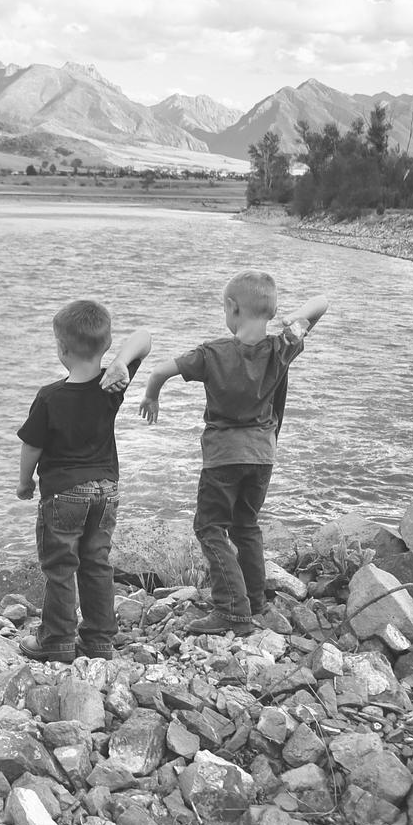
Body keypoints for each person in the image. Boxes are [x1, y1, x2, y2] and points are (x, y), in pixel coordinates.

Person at [139, 271, 329, 635]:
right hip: (262, 457)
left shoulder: (212, 354)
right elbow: (321, 303)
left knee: (210, 527)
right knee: (246, 525)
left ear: (232, 308)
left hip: (223, 457)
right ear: (271, 311)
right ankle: (255, 601)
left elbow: (161, 371)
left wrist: (152, 397)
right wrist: (295, 318)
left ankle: (231, 609)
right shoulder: (282, 347)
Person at [16, 300, 151, 662]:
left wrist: (24, 482)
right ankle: (99, 640)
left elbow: (32, 446)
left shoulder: (49, 396)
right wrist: (121, 361)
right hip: (106, 491)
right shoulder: (113, 384)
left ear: (61, 349)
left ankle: (57, 640)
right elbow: (144, 337)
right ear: (106, 345)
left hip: (64, 494)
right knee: (96, 563)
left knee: (61, 567)